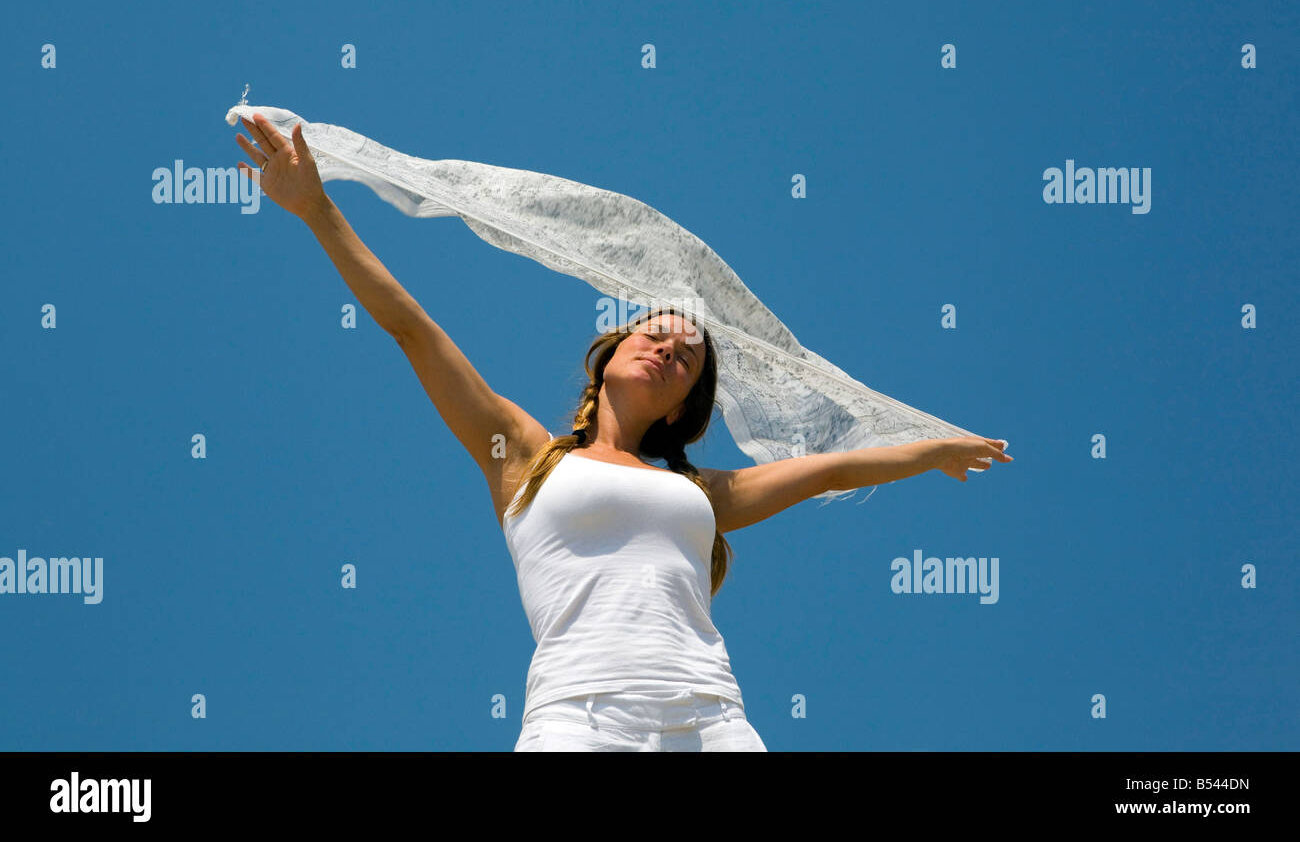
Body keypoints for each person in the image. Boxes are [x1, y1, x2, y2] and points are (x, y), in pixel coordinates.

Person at [234, 113, 1013, 751]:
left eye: (687, 355)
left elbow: (837, 470)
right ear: (609, 352)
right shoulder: (522, 455)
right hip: (580, 719)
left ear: (681, 407)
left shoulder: (701, 492)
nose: (670, 346)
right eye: (654, 332)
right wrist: (318, 209)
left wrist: (933, 449)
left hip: (713, 722)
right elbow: (413, 329)